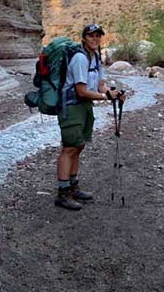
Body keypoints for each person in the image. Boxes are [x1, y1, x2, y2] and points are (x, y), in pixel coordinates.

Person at [55, 24, 122, 211]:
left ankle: (73, 187)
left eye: (98, 36)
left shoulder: (95, 59)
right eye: (91, 36)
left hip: (84, 106)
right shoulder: (79, 59)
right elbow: (81, 91)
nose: (95, 39)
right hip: (71, 106)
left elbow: (101, 86)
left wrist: (113, 93)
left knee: (79, 145)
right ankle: (62, 193)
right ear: (84, 38)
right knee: (69, 148)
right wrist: (106, 97)